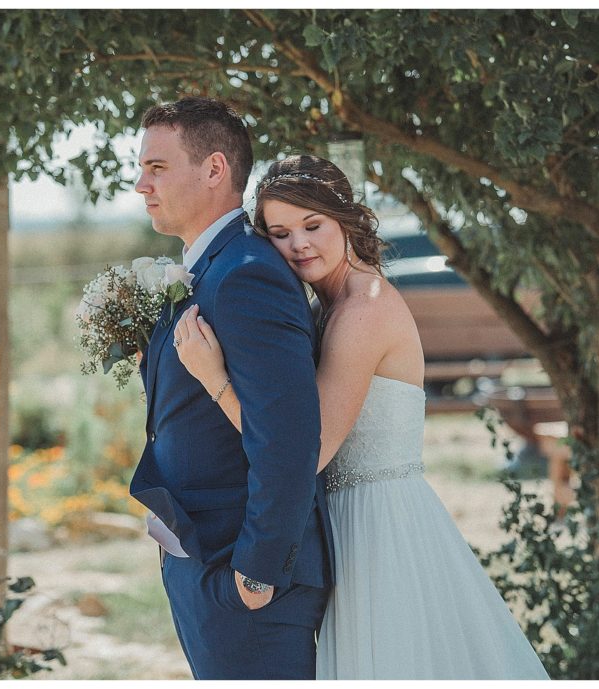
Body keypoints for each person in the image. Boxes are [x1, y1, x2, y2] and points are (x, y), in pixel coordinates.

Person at [173, 154, 551, 680]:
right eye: (279, 233)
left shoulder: (363, 311)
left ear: (346, 221)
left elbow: (314, 449)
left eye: (313, 226)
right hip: (341, 518)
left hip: (378, 524)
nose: (298, 245)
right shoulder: (327, 306)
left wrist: (212, 378)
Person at [127, 99, 333, 680]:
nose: (140, 183)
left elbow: (290, 439)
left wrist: (256, 574)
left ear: (215, 170)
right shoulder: (211, 266)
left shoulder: (246, 273)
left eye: (157, 168)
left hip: (242, 576)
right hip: (201, 556)